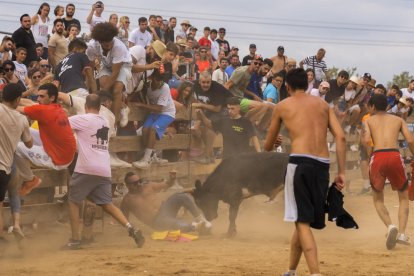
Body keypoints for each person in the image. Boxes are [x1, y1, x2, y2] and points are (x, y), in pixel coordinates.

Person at [264, 68, 346, 275]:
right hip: (322, 165)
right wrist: (342, 172)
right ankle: (291, 271)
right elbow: (341, 137)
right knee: (303, 221)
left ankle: (315, 273)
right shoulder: (323, 105)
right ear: (307, 84)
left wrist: (276, 141)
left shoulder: (282, 106)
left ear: (288, 86)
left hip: (299, 163)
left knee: (301, 222)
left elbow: (267, 145)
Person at [63, 94, 144, 249]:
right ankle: (131, 228)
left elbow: (62, 125)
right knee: (107, 204)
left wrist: (64, 114)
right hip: (103, 168)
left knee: (73, 201)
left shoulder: (83, 119)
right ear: (100, 108)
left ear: (86, 107)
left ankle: (75, 239)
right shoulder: (104, 121)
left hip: (86, 167)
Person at [362, 93, 413, 250]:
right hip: (394, 155)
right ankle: (402, 234)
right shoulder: (398, 120)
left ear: (373, 107)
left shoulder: (368, 120)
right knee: (403, 196)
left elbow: (366, 140)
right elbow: (410, 140)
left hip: (378, 156)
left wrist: (371, 155)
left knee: (378, 199)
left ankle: (390, 226)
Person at [15, 83, 77, 196]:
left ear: (52, 98)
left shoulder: (44, 111)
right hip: (62, 151)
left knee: (16, 148)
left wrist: (6, 100)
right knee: (24, 131)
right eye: (38, 96)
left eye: (42, 96)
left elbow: (14, 107)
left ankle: (30, 179)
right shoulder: (56, 107)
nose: (38, 99)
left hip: (59, 160)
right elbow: (30, 103)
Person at [121, 171, 210, 232]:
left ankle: (201, 220)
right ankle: (196, 227)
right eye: (135, 183)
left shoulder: (148, 186)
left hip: (165, 208)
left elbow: (167, 184)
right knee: (174, 223)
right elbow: (124, 220)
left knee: (181, 196)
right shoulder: (127, 200)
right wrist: (130, 230)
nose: (138, 184)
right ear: (128, 185)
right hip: (157, 221)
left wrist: (172, 179)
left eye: (139, 181)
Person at [0, 83, 33, 243]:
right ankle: (17, 225)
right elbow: (29, 144)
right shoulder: (22, 119)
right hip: (8, 164)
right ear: (18, 99)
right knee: (13, 193)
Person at [86, 22, 132, 124]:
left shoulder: (119, 47)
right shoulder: (91, 47)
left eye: (111, 42)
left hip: (123, 66)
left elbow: (115, 73)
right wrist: (89, 87)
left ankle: (114, 124)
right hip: (106, 65)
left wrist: (100, 94)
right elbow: (90, 68)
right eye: (106, 44)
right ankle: (122, 107)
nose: (110, 45)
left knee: (116, 90)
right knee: (104, 84)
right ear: (99, 41)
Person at [132, 69, 176, 169]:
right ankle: (152, 156)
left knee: (153, 129)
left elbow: (159, 108)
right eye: (157, 79)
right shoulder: (147, 86)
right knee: (145, 130)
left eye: (162, 79)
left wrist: (141, 105)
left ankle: (146, 160)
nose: (160, 81)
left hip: (167, 113)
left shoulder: (165, 87)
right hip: (155, 113)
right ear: (152, 78)